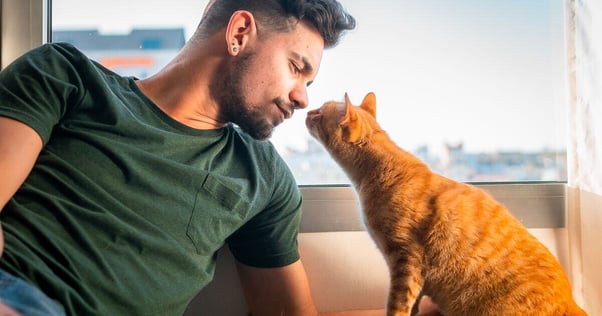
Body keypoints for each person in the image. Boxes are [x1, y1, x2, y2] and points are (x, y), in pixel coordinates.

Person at [0, 0, 358, 315]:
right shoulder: (65, 75)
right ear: (239, 33)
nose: (303, 99)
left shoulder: (263, 178)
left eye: (309, 85)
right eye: (297, 68)